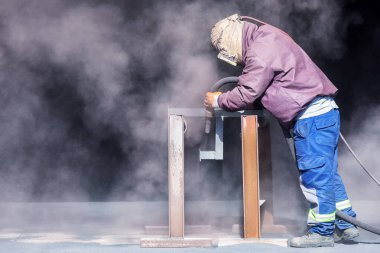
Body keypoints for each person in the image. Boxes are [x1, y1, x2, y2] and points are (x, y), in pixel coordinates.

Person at [204, 14, 358, 248]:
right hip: (324, 114)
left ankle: (321, 232)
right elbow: (268, 87)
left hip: (311, 119)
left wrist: (218, 101)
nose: (229, 57)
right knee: (327, 174)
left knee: (314, 176)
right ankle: (346, 225)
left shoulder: (259, 51)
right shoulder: (269, 35)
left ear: (231, 39)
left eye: (223, 48)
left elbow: (247, 92)